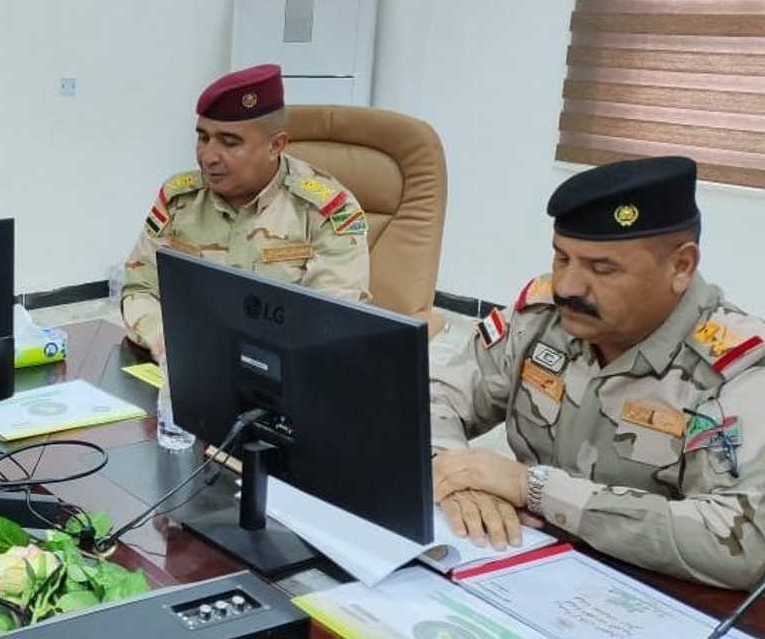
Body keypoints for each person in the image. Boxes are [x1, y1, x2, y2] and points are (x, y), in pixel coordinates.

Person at [429, 155, 765, 590]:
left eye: (602, 269)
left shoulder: (736, 372)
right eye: (562, 258)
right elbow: (430, 393)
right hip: (518, 562)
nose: (568, 286)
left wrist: (534, 489)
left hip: (650, 591)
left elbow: (738, 541)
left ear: (681, 266)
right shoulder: (542, 318)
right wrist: (457, 478)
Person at [120, 64, 371, 360]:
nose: (208, 157)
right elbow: (140, 288)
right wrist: (164, 337)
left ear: (276, 145)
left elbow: (330, 320)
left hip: (291, 372)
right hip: (191, 364)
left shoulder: (323, 210)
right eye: (203, 138)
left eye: (229, 142)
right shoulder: (180, 200)